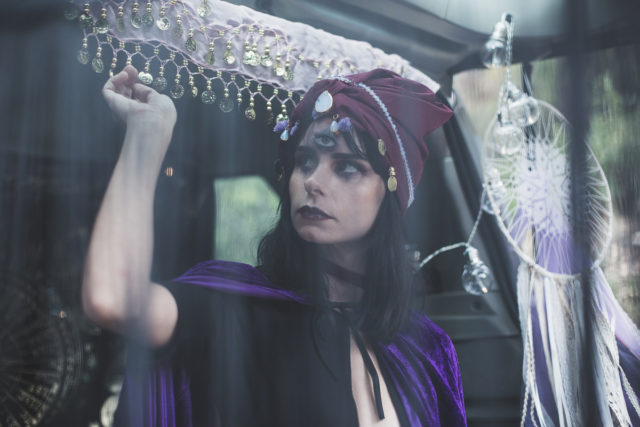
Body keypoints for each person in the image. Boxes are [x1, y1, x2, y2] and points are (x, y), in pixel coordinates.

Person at [82, 65, 466, 426]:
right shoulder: (236, 308)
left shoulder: (425, 350)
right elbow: (113, 298)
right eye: (305, 161)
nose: (313, 181)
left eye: (347, 167)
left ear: (392, 195)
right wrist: (148, 134)